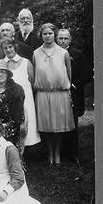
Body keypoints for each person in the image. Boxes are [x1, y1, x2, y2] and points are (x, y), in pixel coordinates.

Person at [33, 23, 74, 165]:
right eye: (45, 33)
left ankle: (57, 152)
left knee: (59, 125)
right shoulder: (36, 53)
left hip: (59, 93)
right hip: (43, 94)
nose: (47, 36)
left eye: (50, 33)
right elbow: (34, 74)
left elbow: (69, 74)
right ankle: (50, 152)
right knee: (46, 126)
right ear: (41, 35)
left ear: (54, 35)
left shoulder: (63, 53)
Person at [0, 38, 40, 153]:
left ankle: (25, 153)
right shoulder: (2, 63)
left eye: (10, 47)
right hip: (8, 101)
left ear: (15, 47)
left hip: (26, 100)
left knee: (26, 124)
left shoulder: (26, 62)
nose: (8, 50)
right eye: (5, 48)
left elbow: (33, 82)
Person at [56, 28, 90, 162]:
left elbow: (87, 74)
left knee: (72, 123)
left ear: (70, 40)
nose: (63, 41)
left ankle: (74, 153)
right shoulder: (53, 53)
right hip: (57, 94)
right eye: (60, 38)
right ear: (56, 39)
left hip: (73, 94)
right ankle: (60, 152)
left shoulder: (77, 53)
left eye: (66, 38)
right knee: (59, 122)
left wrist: (74, 85)